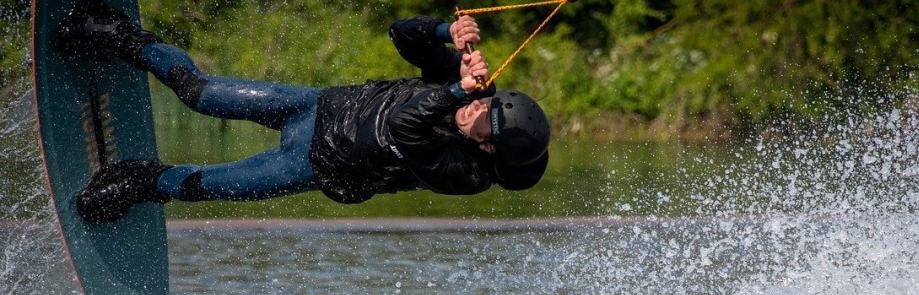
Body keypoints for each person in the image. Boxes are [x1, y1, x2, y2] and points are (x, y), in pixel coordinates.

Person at [54, 0, 551, 222]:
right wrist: (447, 34)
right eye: (484, 101)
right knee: (198, 93)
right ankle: (122, 38)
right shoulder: (466, 90)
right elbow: (401, 32)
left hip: (318, 165)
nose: (475, 109)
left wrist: (457, 93)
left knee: (206, 186)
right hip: (316, 107)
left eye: (481, 119)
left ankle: (140, 183)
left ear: (487, 146)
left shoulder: (465, 173)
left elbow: (405, 126)